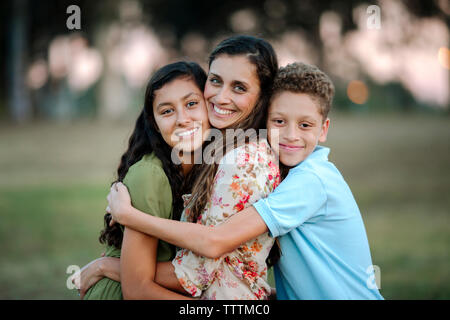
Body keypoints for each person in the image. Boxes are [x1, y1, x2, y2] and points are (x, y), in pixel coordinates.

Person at [106, 62, 384, 300]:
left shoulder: (311, 182)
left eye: (305, 125)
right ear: (264, 119)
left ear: (323, 129)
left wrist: (128, 216)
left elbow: (214, 243)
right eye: (278, 121)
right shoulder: (287, 172)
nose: (290, 135)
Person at [78, 35, 281, 300]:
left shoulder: (236, 159)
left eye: (239, 87)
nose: (221, 97)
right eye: (216, 81)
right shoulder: (155, 172)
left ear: (263, 96)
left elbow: (219, 263)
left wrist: (106, 264)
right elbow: (141, 287)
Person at [73, 61, 210, 299]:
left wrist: (104, 265)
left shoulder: (212, 168)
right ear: (155, 125)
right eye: (167, 111)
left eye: (191, 104)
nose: (182, 119)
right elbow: (138, 290)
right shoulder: (150, 175)